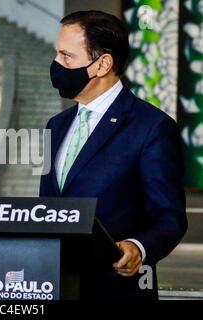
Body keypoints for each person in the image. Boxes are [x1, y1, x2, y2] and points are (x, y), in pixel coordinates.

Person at [40, 10, 187, 300]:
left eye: (66, 56)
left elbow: (169, 216)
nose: (57, 64)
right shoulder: (54, 127)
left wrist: (137, 247)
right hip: (54, 286)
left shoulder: (152, 127)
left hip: (116, 291)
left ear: (102, 63)